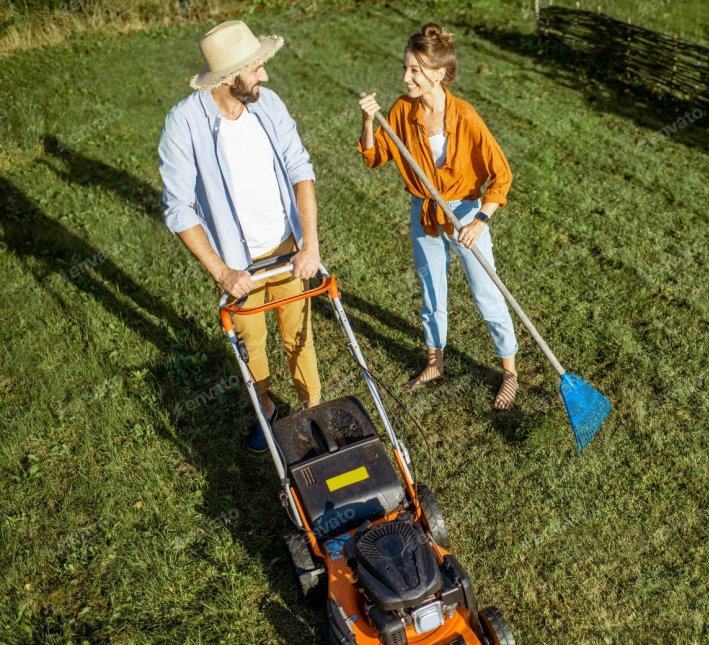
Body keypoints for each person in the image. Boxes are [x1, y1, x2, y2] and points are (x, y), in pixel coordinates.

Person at [158, 20, 323, 451]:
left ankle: (312, 412)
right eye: (256, 69)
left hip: (288, 249)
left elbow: (300, 170)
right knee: (251, 346)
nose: (265, 76)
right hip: (238, 263)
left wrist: (310, 244)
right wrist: (223, 273)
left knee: (299, 336)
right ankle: (266, 409)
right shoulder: (184, 124)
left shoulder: (268, 105)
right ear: (230, 78)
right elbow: (178, 209)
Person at [357, 23, 520, 410]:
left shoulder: (465, 116)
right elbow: (373, 156)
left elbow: (502, 175)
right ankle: (435, 363)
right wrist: (368, 121)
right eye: (405, 68)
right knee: (432, 292)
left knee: (487, 294)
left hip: (465, 211)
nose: (406, 77)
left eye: (414, 70)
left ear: (439, 73)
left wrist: (480, 220)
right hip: (425, 212)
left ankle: (509, 372)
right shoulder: (400, 110)